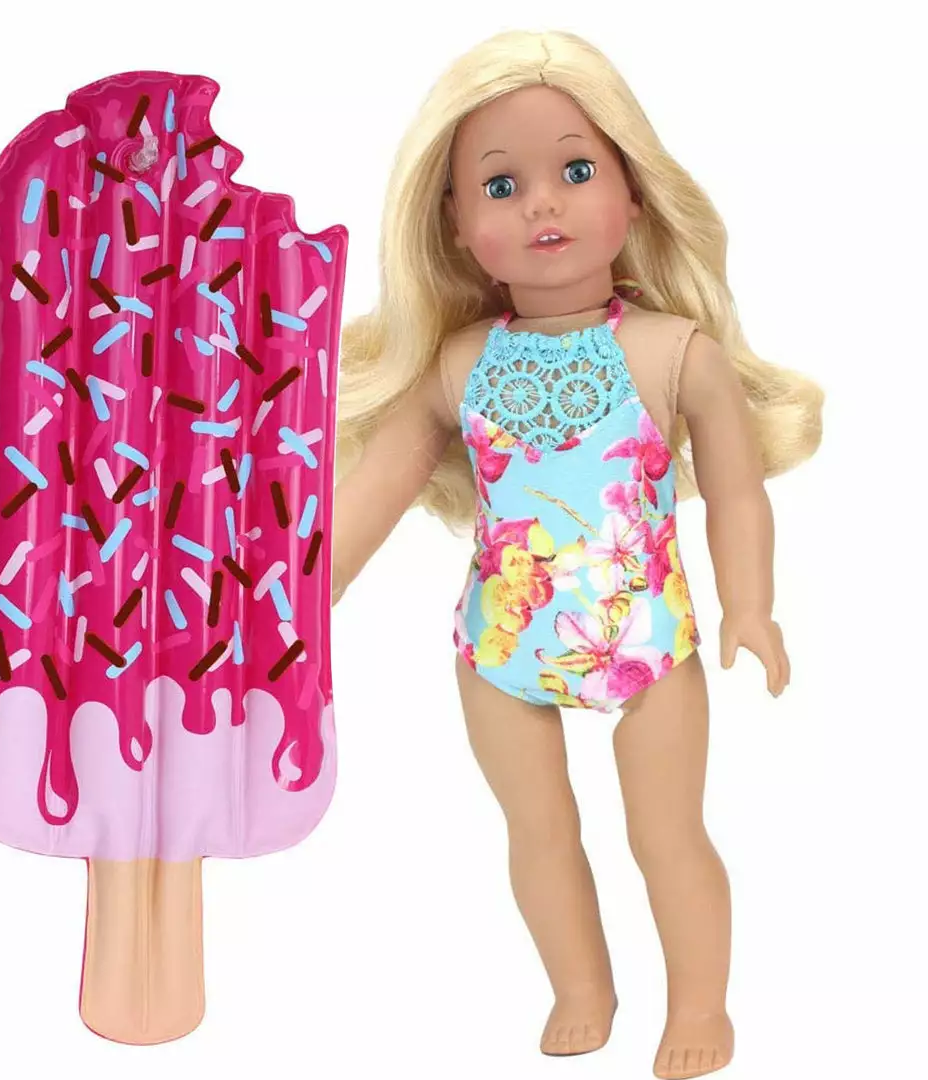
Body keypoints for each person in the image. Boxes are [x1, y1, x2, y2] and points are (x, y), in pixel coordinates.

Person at [331, 29, 822, 1079]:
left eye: (577, 171)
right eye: (500, 185)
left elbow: (736, 494)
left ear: (634, 194)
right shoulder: (458, 365)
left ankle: (700, 1003)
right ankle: (581, 987)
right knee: (538, 831)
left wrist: (751, 606)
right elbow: (366, 500)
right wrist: (290, 601)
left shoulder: (673, 352)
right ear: (455, 225)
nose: (541, 205)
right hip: (499, 646)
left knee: (665, 833)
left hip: (646, 641)